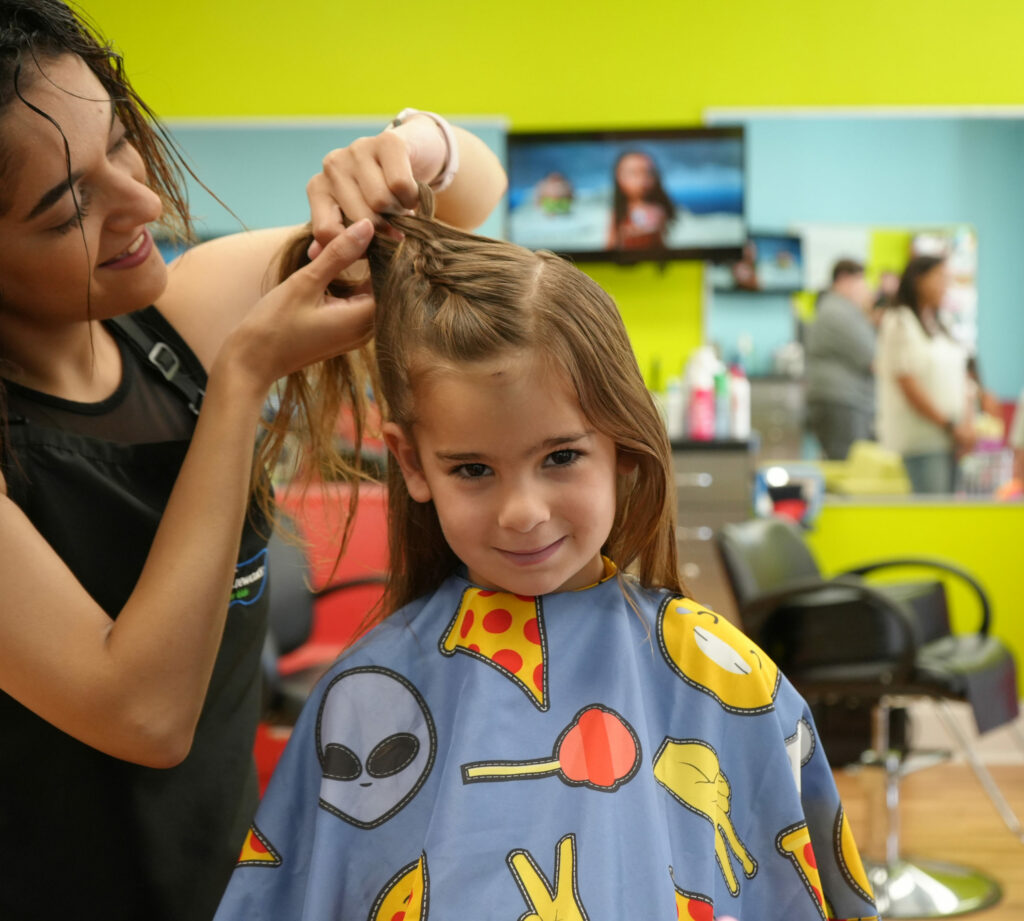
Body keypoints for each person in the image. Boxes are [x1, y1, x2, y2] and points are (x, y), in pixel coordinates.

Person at [213, 186, 879, 921]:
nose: (522, 511)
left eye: (560, 456)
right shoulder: (369, 699)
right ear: (412, 463)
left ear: (622, 446)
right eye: (473, 469)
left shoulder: (725, 679)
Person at [0, 3, 506, 919]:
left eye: (122, 145)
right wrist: (239, 384)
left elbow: (465, 210)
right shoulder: (209, 351)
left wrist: (416, 149)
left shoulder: (173, 321)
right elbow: (144, 716)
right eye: (71, 204)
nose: (143, 202)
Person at [875, 255, 975, 493]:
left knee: (950, 516)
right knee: (933, 518)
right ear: (918, 280)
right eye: (939, 277)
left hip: (951, 441)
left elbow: (962, 378)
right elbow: (907, 383)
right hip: (921, 443)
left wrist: (965, 425)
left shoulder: (942, 323)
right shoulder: (899, 321)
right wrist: (950, 426)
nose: (945, 285)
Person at [804, 258, 877, 460]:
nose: (866, 289)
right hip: (842, 403)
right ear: (844, 280)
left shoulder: (836, 309)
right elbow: (873, 358)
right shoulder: (838, 312)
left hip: (842, 402)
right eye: (861, 282)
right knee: (848, 468)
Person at [607, 149, 676, 251]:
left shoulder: (658, 209)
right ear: (618, 177)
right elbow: (610, 245)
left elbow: (664, 239)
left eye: (648, 173)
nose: (642, 179)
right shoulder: (618, 212)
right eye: (633, 173)